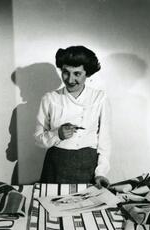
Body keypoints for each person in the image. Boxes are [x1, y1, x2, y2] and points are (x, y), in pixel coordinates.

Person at [34, 45, 111, 188]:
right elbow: (38, 139)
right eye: (65, 72)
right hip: (56, 165)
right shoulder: (50, 99)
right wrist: (57, 134)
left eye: (77, 74)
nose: (70, 79)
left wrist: (101, 172)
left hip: (88, 165)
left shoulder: (99, 98)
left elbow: (105, 142)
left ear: (87, 73)